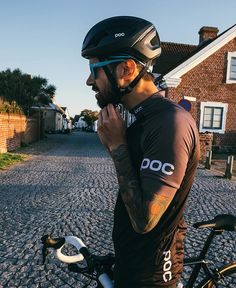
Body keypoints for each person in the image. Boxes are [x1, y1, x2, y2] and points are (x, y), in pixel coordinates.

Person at [81, 16, 200, 288]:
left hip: (154, 276)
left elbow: (146, 219)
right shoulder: (141, 118)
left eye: (94, 68)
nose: (89, 80)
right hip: (131, 264)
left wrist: (118, 147)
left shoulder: (170, 123)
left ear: (126, 69)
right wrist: (117, 149)